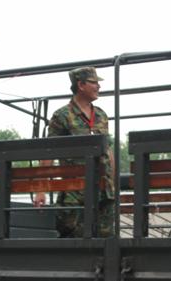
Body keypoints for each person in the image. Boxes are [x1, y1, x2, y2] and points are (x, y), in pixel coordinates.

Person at [33, 67, 114, 238]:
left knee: (105, 240)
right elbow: (48, 152)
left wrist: (113, 184)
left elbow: (108, 150)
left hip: (103, 191)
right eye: (94, 83)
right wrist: (41, 189)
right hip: (75, 193)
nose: (98, 86)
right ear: (81, 85)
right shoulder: (62, 116)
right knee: (74, 237)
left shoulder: (101, 115)